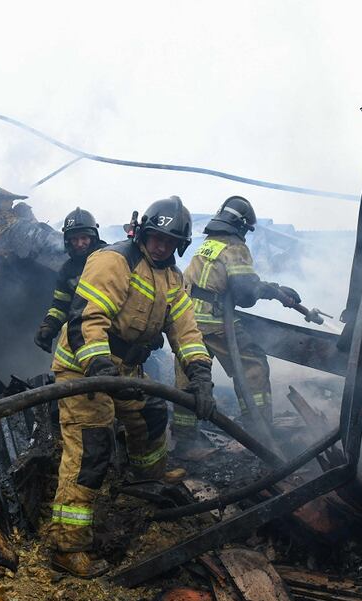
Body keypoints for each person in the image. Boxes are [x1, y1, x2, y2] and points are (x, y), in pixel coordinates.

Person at [47, 195, 215, 578]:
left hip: (125, 367)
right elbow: (85, 319)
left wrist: (201, 376)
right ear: (142, 233)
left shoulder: (172, 277)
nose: (160, 246)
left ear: (179, 245)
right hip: (83, 367)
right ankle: (66, 545)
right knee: (93, 446)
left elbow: (186, 332)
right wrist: (102, 370)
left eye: (169, 241)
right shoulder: (115, 261)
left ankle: (144, 481)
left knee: (153, 414)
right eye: (155, 237)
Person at [171, 196, 301, 446]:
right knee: (252, 363)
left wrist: (273, 288)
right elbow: (244, 292)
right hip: (213, 320)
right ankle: (258, 429)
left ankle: (184, 438)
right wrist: (274, 292)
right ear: (240, 226)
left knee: (188, 375)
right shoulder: (234, 247)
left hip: (186, 320)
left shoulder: (208, 244)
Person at [34, 208, 108, 352]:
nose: (80, 243)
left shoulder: (110, 257)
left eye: (84, 238)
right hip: (86, 333)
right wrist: (49, 326)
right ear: (68, 241)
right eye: (75, 239)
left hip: (113, 328)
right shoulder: (67, 271)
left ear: (93, 237)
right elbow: (60, 305)